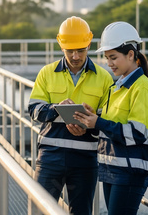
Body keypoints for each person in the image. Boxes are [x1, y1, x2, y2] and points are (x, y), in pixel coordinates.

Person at [28, 16, 113, 215]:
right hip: (50, 157)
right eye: (70, 51)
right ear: (61, 45)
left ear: (89, 44)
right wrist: (56, 108)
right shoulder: (46, 73)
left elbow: (109, 119)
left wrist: (91, 123)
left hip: (85, 159)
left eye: (81, 50)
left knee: (81, 212)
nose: (75, 56)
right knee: (38, 210)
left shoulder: (104, 78)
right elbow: (33, 109)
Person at [73, 21, 148, 215]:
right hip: (112, 170)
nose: (109, 63)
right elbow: (111, 125)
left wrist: (99, 122)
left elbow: (137, 134)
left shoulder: (143, 89)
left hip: (130, 173)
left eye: (113, 57)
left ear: (131, 55)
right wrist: (92, 118)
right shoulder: (117, 87)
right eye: (106, 58)